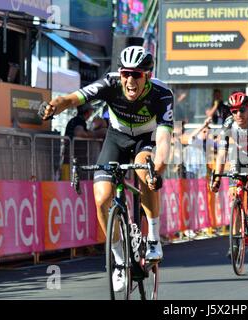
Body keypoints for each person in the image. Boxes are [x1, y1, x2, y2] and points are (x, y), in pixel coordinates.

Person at [38, 45, 173, 291]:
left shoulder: (162, 94)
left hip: (146, 140)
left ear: (148, 76)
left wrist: (159, 170)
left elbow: (163, 140)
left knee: (146, 171)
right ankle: (119, 259)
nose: (130, 80)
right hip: (116, 138)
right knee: (101, 199)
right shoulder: (110, 83)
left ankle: (153, 237)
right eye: (125, 74)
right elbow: (73, 98)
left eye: (137, 74)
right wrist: (54, 106)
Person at [210, 91, 248, 236]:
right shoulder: (228, 123)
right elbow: (222, 152)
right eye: (234, 111)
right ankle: (236, 239)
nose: (238, 114)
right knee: (233, 193)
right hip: (238, 155)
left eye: (241, 110)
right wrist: (217, 176)